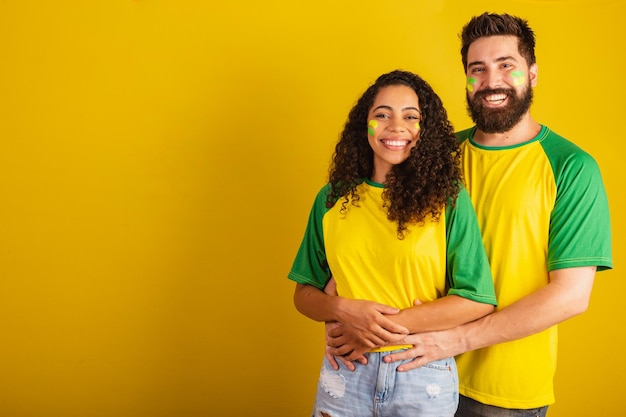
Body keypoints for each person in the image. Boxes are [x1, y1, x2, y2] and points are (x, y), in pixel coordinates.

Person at [326, 13, 613, 417]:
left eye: (505, 66)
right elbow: (366, 230)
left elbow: (569, 296)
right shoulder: (430, 155)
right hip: (400, 370)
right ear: (466, 79)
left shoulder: (571, 166)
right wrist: (345, 314)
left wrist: (453, 340)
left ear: (532, 74)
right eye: (477, 69)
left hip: (502, 392)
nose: (491, 80)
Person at [288, 70, 497, 417]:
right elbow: (304, 295)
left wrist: (370, 329)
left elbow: (476, 300)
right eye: (382, 114)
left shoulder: (448, 199)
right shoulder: (331, 200)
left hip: (419, 371)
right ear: (364, 125)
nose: (396, 126)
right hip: (345, 373)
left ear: (423, 130)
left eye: (410, 117)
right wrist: (342, 310)